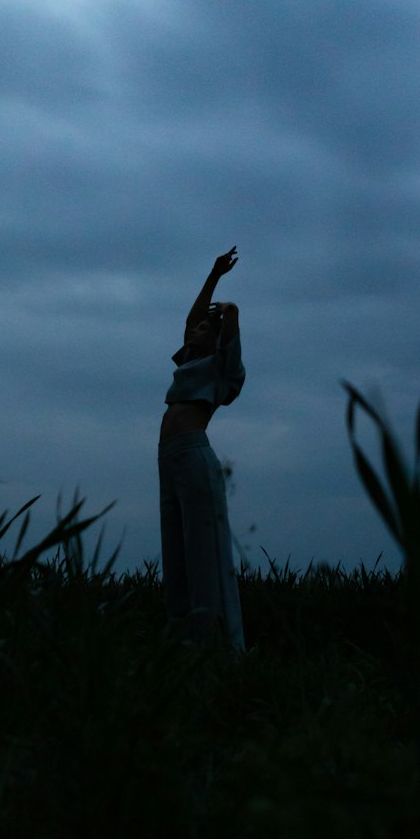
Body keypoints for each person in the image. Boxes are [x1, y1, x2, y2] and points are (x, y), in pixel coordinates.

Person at [158, 246, 246, 650]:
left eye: (203, 331)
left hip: (194, 457)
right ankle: (185, 647)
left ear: (214, 342)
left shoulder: (220, 371)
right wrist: (213, 275)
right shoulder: (189, 362)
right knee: (177, 556)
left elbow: (226, 341)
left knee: (204, 555)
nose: (193, 329)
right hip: (169, 460)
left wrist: (231, 313)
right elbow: (192, 318)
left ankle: (222, 651)